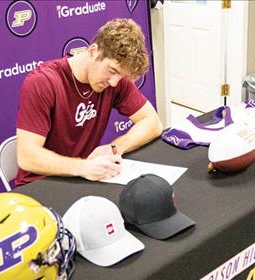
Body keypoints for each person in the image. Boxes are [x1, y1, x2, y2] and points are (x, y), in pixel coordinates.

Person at [15, 18, 163, 187]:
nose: (114, 82)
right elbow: (27, 157)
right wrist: (84, 167)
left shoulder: (115, 81)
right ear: (93, 52)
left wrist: (115, 147)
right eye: (112, 71)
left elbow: (153, 122)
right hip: (39, 184)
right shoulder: (43, 82)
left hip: (81, 178)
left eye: (121, 76)